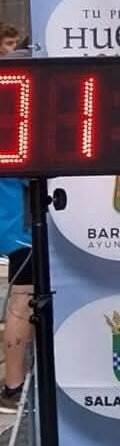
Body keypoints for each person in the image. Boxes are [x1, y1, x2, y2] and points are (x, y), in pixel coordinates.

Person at [0, 26, 30, 412]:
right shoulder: (12, 102)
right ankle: (13, 384)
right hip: (22, 224)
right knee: (24, 295)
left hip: (16, 219)